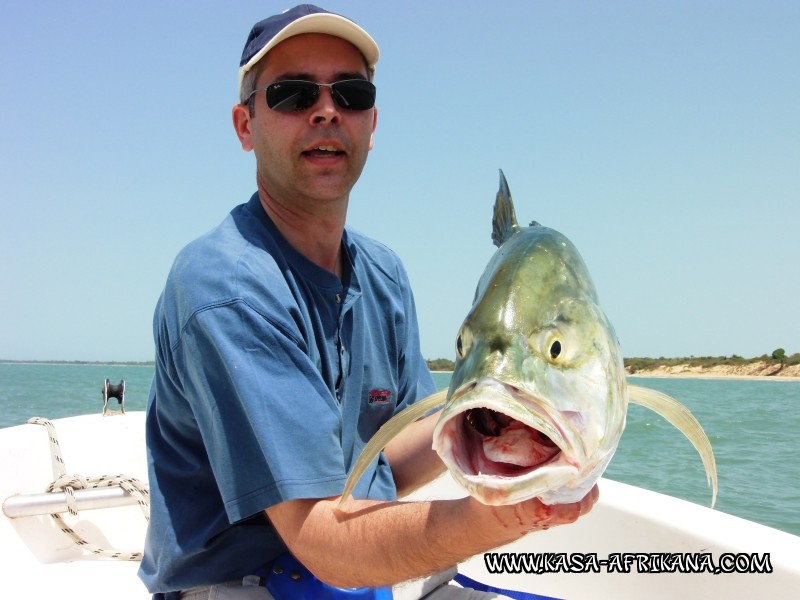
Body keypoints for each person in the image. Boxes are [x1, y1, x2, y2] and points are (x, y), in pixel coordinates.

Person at [139, 5, 598, 599]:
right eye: (292, 93)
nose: (326, 110)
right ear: (245, 125)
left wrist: (499, 410)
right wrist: (504, 514)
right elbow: (324, 541)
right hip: (247, 582)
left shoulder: (382, 274)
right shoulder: (225, 291)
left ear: (372, 124)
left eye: (350, 93)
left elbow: (389, 463)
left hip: (365, 569)